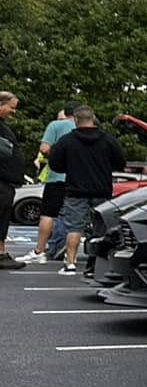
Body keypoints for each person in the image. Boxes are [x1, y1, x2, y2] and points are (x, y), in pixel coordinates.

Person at [47, 106, 124, 275]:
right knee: (100, 230)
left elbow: (54, 164)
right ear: (93, 118)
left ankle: (70, 263)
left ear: (75, 120)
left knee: (74, 227)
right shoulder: (108, 140)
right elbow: (120, 162)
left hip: (76, 190)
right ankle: (94, 265)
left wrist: (70, 168)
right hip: (102, 191)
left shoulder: (66, 141)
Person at [23, 103, 74, 265]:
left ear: (65, 114)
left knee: (48, 214)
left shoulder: (55, 126)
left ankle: (39, 250)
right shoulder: (86, 128)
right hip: (77, 179)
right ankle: (68, 254)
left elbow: (44, 148)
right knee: (73, 217)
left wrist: (57, 156)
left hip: (56, 177)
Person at [0, 91, 23, 270]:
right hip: (2, 181)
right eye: (11, 107)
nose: (13, 112)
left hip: (6, 181)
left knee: (3, 217)